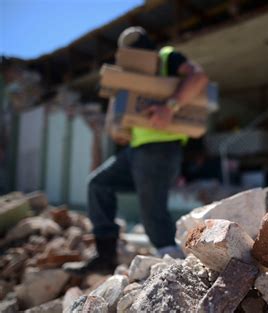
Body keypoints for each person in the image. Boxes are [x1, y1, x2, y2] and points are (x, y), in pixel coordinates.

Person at [67, 26, 209, 275]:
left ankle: (176, 268)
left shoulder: (167, 57)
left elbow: (198, 77)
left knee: (151, 209)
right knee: (98, 184)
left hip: (162, 147)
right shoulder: (128, 73)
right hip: (137, 149)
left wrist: (170, 106)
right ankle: (106, 256)